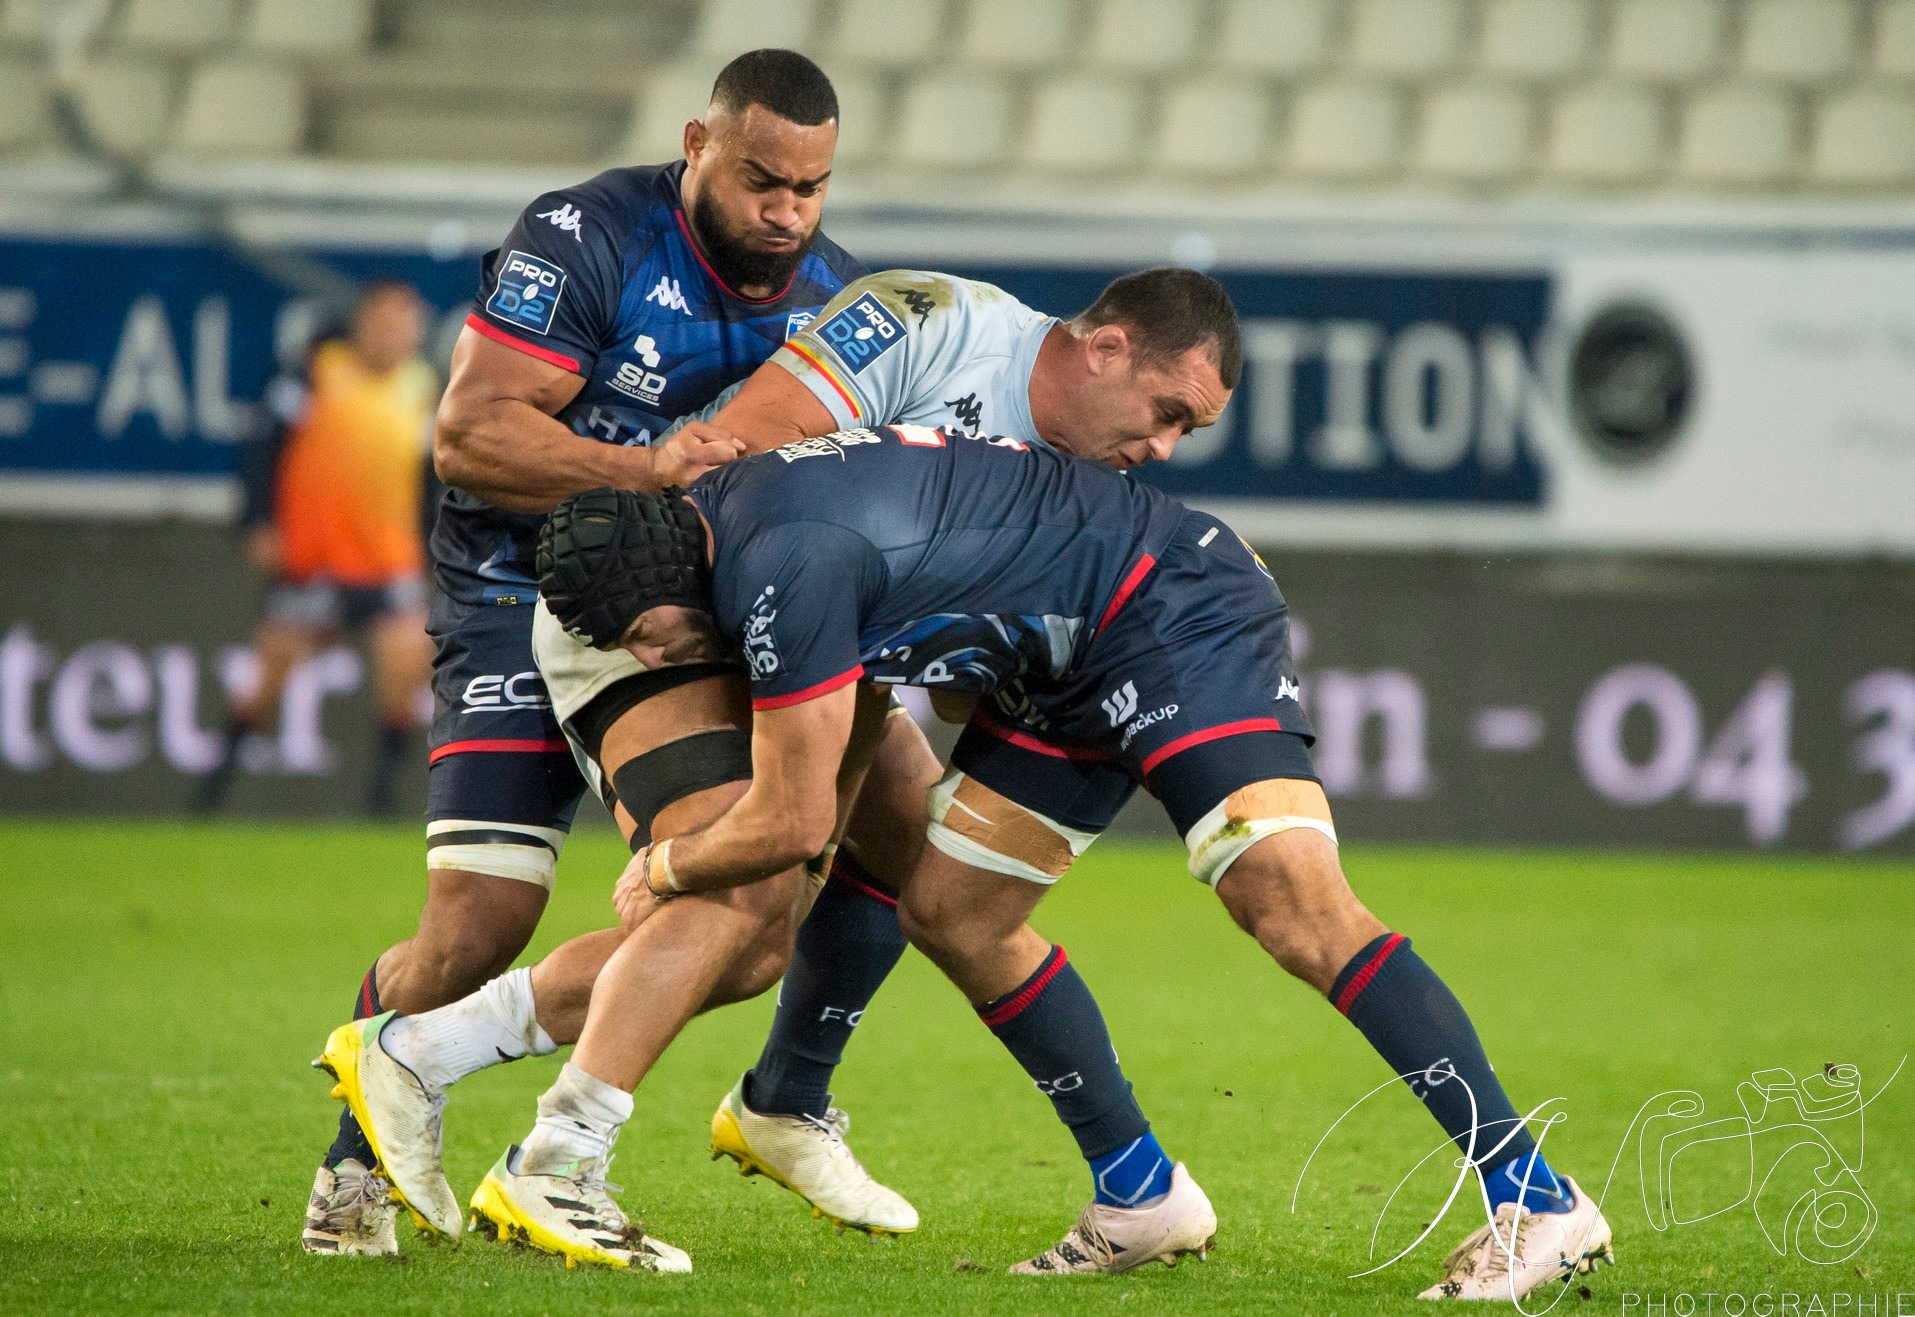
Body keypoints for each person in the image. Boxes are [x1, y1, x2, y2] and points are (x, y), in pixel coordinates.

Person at [345, 425, 1616, 1299]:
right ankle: (1140, 1197)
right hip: (1060, 656)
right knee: (953, 907)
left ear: (677, 589)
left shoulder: (781, 572)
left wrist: (665, 873)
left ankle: (1536, 1197)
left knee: (1293, 908)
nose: (660, 655)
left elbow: (789, 822)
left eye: (653, 638)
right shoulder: (741, 522)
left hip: (1172, 607)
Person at [315, 266, 1245, 1260]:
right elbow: (742, 459)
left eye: (1182, 434)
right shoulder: (931, 321)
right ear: (1105, 350)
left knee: (886, 875)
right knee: (742, 881)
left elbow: (945, 658)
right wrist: (676, 858)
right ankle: (544, 1154)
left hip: (807, 623)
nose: (1161, 449)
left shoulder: (1078, 468)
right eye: (1166, 414)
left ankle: (785, 1100)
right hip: (677, 601)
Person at [299, 48, 892, 1257]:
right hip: (513, 586)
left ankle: (706, 1114)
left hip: (677, 623)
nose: (785, 214)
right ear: (696, 144)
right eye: (761, 181)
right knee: (478, 925)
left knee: (747, 917)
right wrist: (647, 469)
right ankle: (358, 1164)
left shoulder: (829, 296)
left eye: (810, 188)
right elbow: (469, 438)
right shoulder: (587, 238)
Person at [196, 281, 436, 819]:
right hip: (315, 558)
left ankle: (381, 801)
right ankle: (212, 791)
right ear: (362, 322)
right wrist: (259, 520)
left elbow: (430, 480)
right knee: (268, 678)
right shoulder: (315, 369)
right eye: (385, 322)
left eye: (405, 325)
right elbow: (262, 444)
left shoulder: (422, 386)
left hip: (389, 560)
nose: (394, 335)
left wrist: (432, 548)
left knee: (405, 669)